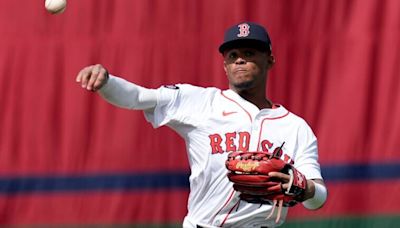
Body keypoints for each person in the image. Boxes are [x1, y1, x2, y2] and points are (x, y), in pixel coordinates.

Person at [76, 22, 327, 228]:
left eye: (249, 54)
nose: (240, 60)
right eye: (233, 55)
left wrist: (305, 189)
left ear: (270, 60)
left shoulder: (295, 127)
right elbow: (138, 97)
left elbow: (318, 198)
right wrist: (106, 81)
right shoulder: (201, 102)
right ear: (225, 66)